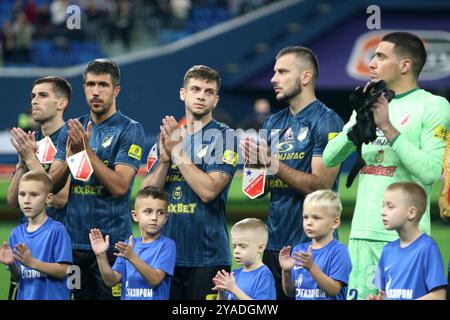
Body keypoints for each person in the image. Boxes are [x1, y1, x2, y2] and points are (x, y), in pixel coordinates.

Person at [323, 32, 450, 299]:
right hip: (360, 233)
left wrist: (387, 127)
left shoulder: (434, 106)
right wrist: (356, 127)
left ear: (405, 65)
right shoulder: (370, 103)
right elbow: (329, 158)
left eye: (380, 56)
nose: (371, 63)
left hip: (405, 240)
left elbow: (430, 171)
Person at [240, 46, 344, 300]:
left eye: (282, 72)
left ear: (306, 77)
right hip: (275, 246)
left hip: (313, 247)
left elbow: (321, 187)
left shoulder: (327, 121)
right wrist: (253, 167)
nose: (273, 79)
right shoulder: (273, 122)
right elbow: (256, 192)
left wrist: (271, 163)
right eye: (275, 72)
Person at [49, 58, 146, 300]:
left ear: (116, 90)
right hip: (73, 247)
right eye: (90, 84)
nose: (95, 91)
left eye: (103, 85)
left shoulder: (130, 130)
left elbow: (120, 187)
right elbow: (50, 186)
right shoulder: (71, 129)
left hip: (112, 245)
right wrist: (72, 157)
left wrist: (86, 151)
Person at [141, 65, 238, 300]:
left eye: (208, 91)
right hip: (165, 256)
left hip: (208, 257)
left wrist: (178, 152)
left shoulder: (226, 138)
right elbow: (145, 197)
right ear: (183, 93)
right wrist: (165, 160)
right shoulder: (168, 137)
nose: (201, 96)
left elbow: (208, 190)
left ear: (216, 100)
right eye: (195, 89)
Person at [6, 76, 72, 300]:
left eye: (43, 95)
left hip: (58, 246)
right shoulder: (35, 143)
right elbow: (12, 201)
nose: (34, 101)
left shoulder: (71, 139)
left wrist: (31, 158)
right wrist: (22, 163)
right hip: (27, 239)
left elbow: (60, 198)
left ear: (62, 103)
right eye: (33, 96)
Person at [89, 186, 176, 300]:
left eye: (160, 213)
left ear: (166, 218)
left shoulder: (167, 245)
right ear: (135, 216)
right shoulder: (129, 245)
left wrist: (132, 256)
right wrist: (100, 256)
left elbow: (155, 280)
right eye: (148, 211)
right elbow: (111, 281)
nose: (154, 217)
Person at [0, 171, 72, 300]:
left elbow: (64, 271)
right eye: (22, 194)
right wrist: (11, 264)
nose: (26, 200)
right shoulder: (16, 234)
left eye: (34, 195)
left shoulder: (57, 230)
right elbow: (18, 277)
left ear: (48, 198)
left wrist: (32, 262)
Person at [369, 182, 447, 300]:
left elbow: (439, 296)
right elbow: (383, 294)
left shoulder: (427, 248)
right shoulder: (387, 250)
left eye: (390, 206)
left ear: (411, 213)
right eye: (383, 205)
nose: (383, 212)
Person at [278, 190, 351, 300]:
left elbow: (334, 290)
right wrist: (286, 272)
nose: (309, 222)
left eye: (316, 217)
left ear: (335, 222)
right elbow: (291, 292)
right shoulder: (299, 250)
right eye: (305, 217)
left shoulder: (339, 251)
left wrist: (311, 267)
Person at [213, 218, 276, 300]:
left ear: (260, 248)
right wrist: (221, 292)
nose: (236, 251)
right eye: (234, 246)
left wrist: (234, 289)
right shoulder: (234, 274)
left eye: (242, 246)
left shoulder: (264, 275)